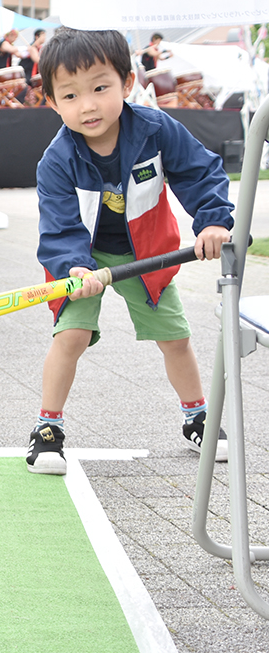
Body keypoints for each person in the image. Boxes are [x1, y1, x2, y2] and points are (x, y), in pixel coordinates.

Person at [27, 27, 234, 476]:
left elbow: (201, 174)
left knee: (175, 338)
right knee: (71, 337)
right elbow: (58, 226)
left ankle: (197, 416)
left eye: (100, 88)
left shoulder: (156, 130)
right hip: (83, 259)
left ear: (126, 83)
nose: (88, 105)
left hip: (146, 256)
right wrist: (75, 267)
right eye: (70, 95)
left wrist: (214, 220)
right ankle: (47, 430)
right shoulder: (57, 160)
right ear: (52, 102)